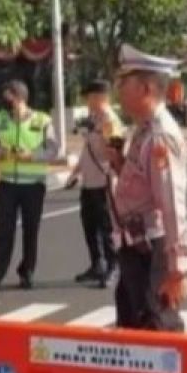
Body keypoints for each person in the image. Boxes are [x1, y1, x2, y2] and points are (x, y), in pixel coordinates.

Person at [107, 44, 187, 331]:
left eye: (124, 83)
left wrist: (177, 267)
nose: (119, 91)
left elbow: (171, 204)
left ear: (144, 88)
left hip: (150, 251)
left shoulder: (160, 136)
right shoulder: (144, 130)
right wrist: (120, 164)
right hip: (134, 248)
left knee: (157, 331)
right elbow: (143, 186)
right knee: (133, 332)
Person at [0, 80, 60, 295]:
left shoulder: (42, 121)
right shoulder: (0, 120)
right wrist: (1, 154)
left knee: (31, 231)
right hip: (7, 184)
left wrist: (31, 156)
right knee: (3, 231)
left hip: (33, 185)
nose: (6, 102)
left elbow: (53, 150)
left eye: (9, 98)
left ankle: (27, 272)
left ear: (20, 98)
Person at [66, 79, 123, 288]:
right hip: (89, 181)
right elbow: (86, 149)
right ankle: (97, 264)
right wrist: (76, 172)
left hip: (105, 181)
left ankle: (114, 266)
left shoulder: (109, 121)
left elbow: (115, 151)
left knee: (107, 227)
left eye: (90, 97)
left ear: (101, 97)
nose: (87, 101)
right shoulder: (93, 119)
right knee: (89, 225)